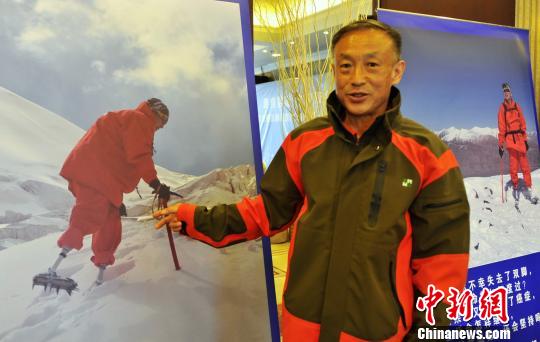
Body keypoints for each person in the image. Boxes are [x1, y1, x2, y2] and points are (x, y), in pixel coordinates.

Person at [155, 20, 470, 341]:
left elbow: (444, 261)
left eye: (372, 65)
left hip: (377, 330)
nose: (357, 79)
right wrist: (192, 217)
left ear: (396, 71)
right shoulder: (305, 141)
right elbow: (267, 212)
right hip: (302, 325)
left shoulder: (427, 153)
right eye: (345, 66)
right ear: (334, 70)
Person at [43, 98, 172, 286]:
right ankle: (52, 270)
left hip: (104, 177)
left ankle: (101, 274)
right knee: (89, 213)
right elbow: (139, 155)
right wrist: (155, 184)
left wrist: (117, 198)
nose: (161, 127)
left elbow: (119, 153)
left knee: (110, 224)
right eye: (163, 122)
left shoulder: (129, 119)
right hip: (96, 173)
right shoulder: (140, 120)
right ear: (157, 114)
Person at [498, 82, 533, 198]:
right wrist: (500, 144)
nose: (506, 93)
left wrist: (525, 139)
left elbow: (523, 123)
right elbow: (501, 127)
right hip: (510, 140)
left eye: (507, 91)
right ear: (503, 94)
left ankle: (528, 186)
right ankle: (516, 185)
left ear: (511, 93)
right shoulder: (502, 108)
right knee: (513, 165)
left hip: (520, 139)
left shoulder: (517, 106)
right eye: (504, 92)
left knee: (525, 165)